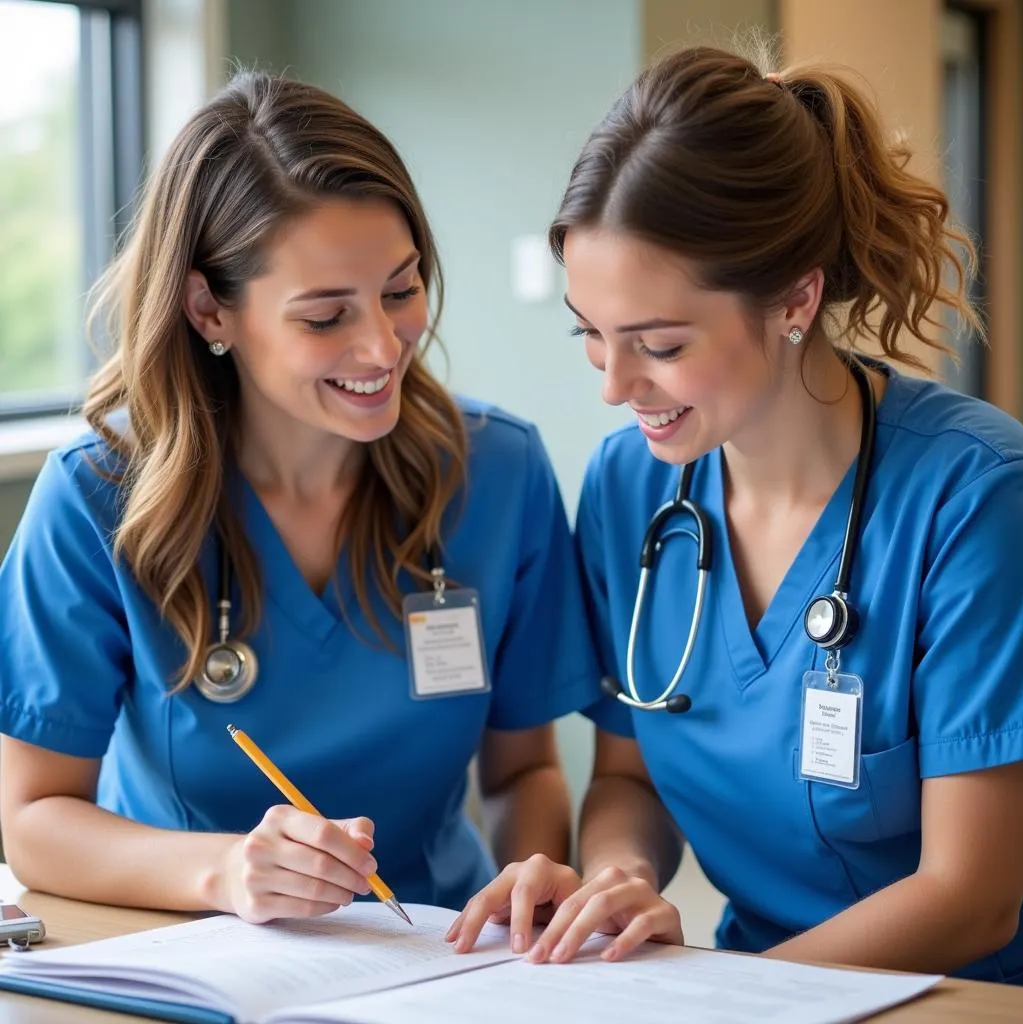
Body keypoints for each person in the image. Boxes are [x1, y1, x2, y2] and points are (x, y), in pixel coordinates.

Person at [448, 45, 1023, 984]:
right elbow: (629, 779)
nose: (616, 387)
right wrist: (620, 877)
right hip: (748, 988)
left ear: (796, 298)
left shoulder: (975, 499)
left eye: (661, 344)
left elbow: (971, 894)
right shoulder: (630, 487)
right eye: (590, 337)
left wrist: (741, 1006)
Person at [0, 71, 599, 924]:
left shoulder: (496, 473)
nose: (383, 346)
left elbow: (523, 772)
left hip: (439, 955)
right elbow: (32, 820)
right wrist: (225, 873)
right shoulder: (96, 499)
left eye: (400, 290)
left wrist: (531, 878)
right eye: (324, 317)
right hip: (186, 950)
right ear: (210, 309)